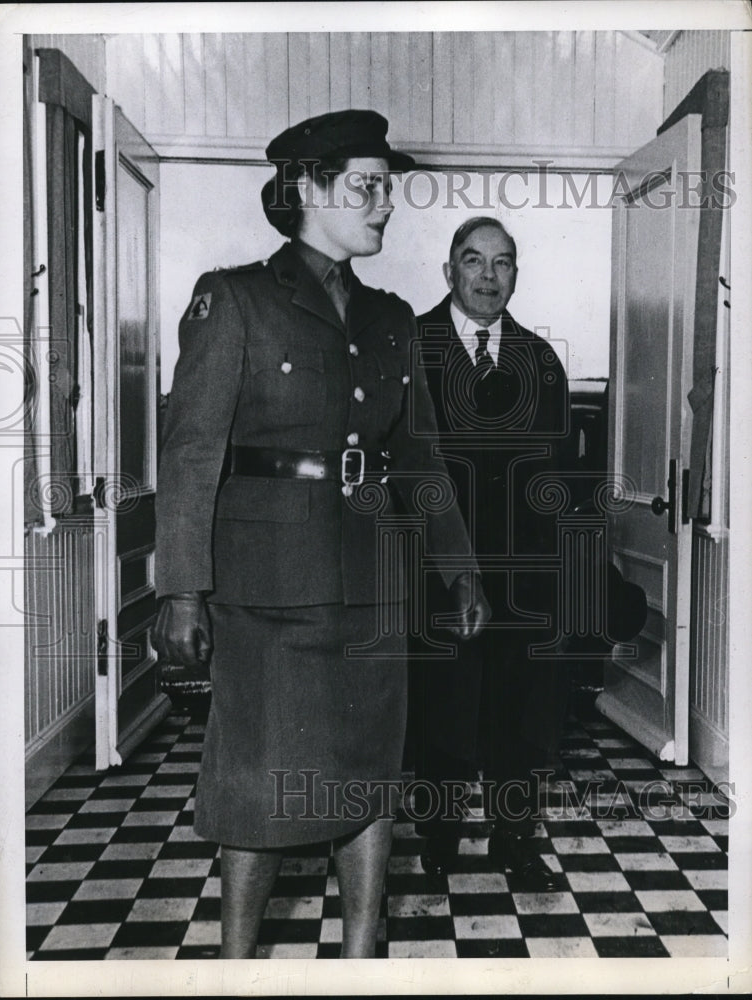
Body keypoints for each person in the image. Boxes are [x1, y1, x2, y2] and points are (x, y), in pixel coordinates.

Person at [151, 110, 490, 959]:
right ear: (308, 189)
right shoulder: (234, 299)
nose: (385, 204)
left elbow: (419, 454)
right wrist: (181, 590)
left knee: (370, 773)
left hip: (373, 582)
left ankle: (360, 955)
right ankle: (236, 962)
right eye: (367, 187)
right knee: (259, 781)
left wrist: (460, 568)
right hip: (266, 591)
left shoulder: (390, 317)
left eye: (387, 188)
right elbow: (190, 452)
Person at [410, 217, 571, 890]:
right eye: (473, 260)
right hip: (435, 567)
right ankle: (437, 834)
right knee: (440, 701)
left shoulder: (540, 360)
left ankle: (514, 837)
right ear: (449, 270)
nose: (486, 275)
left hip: (522, 572)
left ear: (515, 275)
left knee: (519, 710)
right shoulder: (411, 347)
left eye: (501, 263)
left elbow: (558, 478)